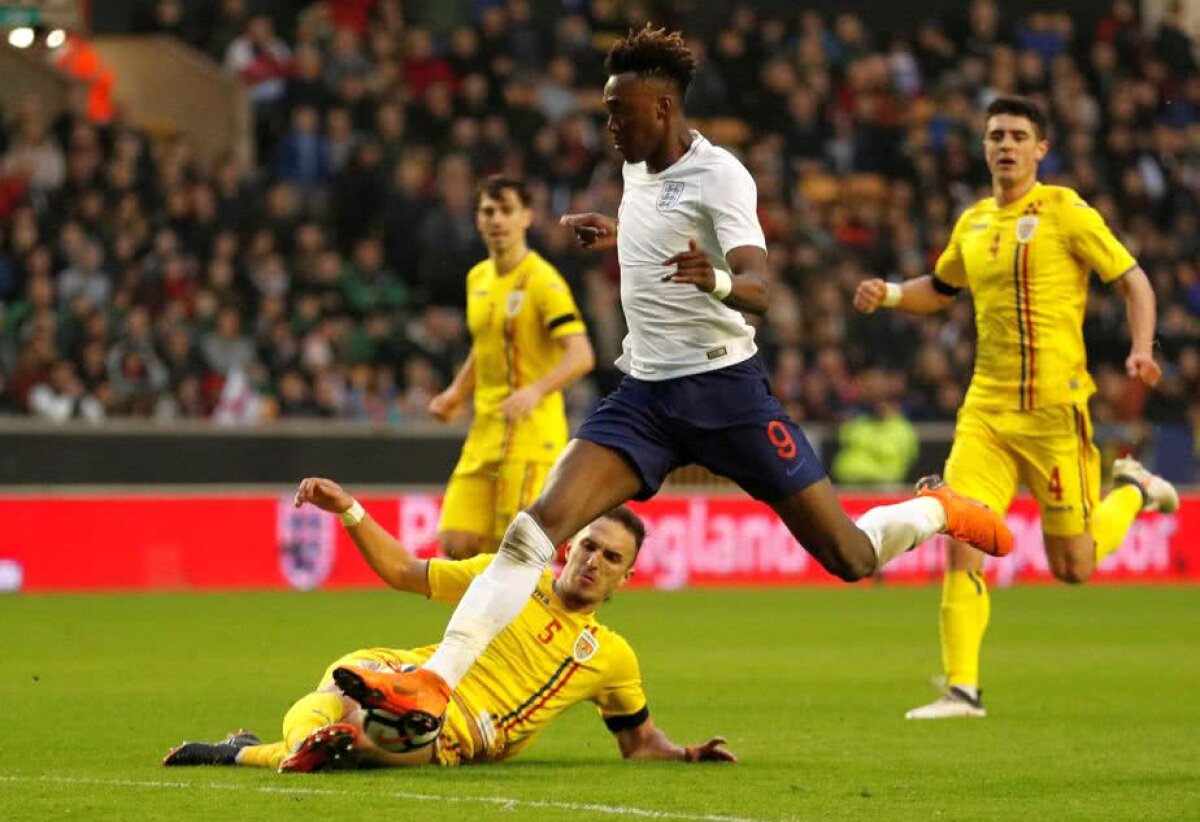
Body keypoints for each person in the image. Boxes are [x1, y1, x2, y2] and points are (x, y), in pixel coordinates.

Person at [332, 25, 1014, 732]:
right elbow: (661, 228)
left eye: (617, 112)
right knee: (531, 534)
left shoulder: (722, 176)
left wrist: (715, 278)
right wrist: (623, 235)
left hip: (727, 393)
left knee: (848, 555)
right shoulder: (637, 170)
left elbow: (761, 286)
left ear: (661, 109)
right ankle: (436, 683)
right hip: (645, 399)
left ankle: (941, 511)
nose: (608, 126)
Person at [853, 95, 1180, 719]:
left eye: (1017, 135)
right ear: (984, 147)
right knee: (961, 528)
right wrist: (892, 293)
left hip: (1057, 415)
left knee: (1073, 566)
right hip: (986, 412)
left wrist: (1141, 349)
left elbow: (1134, 279)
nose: (1005, 145)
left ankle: (1133, 487)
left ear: (1040, 149)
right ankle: (962, 689)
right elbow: (942, 289)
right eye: (995, 135)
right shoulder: (973, 223)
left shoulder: (1065, 211)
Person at [163, 477, 735, 771]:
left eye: (612, 558)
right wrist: (350, 511)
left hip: (457, 729)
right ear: (567, 546)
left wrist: (685, 755)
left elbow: (638, 744)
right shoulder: (505, 573)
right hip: (408, 672)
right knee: (342, 683)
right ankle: (287, 744)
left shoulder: (609, 656)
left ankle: (239, 752)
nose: (594, 562)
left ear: (626, 578)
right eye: (589, 545)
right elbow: (401, 570)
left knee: (359, 738)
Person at [427, 175, 595, 558]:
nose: (496, 219)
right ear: (477, 220)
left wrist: (536, 389)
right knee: (457, 542)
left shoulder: (543, 281)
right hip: (485, 430)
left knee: (514, 553)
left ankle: (528, 617)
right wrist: (456, 392)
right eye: (488, 211)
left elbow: (581, 354)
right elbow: (484, 346)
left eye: (506, 210)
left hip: (530, 434)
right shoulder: (477, 278)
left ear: (527, 217)